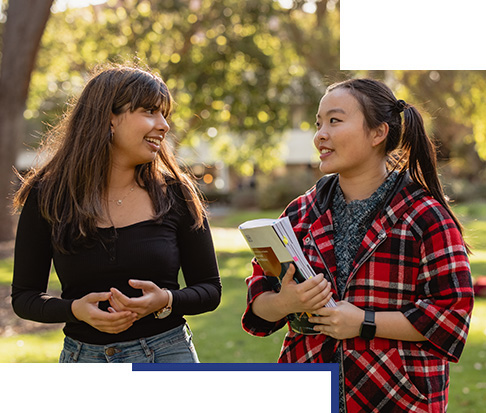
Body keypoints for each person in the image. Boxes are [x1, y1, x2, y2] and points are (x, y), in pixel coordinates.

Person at [241, 78, 474, 412]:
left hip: (398, 399)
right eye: (319, 123)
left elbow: (452, 314)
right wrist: (284, 302)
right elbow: (257, 306)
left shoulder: (425, 215)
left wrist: (365, 322)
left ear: (378, 133)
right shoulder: (298, 214)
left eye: (335, 121)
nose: (320, 134)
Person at [11, 63, 222, 363]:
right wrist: (74, 309)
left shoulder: (176, 193)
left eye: (164, 114)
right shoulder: (48, 196)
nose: (164, 125)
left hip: (167, 355)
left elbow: (210, 289)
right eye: (150, 111)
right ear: (109, 118)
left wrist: (166, 300)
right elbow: (25, 298)